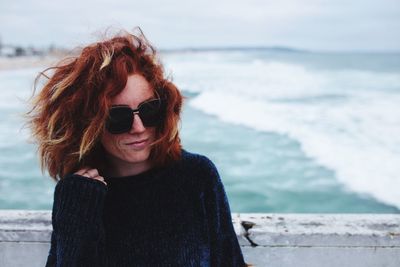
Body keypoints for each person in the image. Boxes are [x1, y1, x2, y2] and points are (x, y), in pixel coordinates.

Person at [27, 28, 252, 267]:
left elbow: (229, 261)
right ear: (89, 125)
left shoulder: (196, 175)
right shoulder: (79, 195)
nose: (138, 127)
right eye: (118, 118)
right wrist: (78, 207)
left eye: (149, 110)